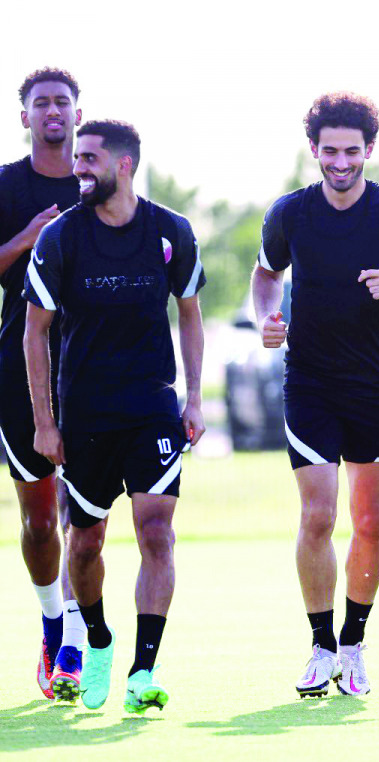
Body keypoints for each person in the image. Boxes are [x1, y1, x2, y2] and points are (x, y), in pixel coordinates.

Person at [252, 92, 379, 698]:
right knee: (318, 515)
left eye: (351, 151)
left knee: (371, 518)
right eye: (329, 151)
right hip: (309, 382)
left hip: (373, 385)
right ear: (314, 150)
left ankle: (355, 645)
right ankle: (320, 646)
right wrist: (267, 317)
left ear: (368, 151)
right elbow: (265, 275)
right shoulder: (290, 213)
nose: (340, 162)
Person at [24, 119, 206, 713]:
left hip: (152, 406)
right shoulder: (62, 237)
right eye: (77, 157)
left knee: (156, 531)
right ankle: (98, 641)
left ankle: (142, 670)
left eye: (90, 158)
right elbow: (35, 332)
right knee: (85, 544)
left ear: (124, 165)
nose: (79, 167)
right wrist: (44, 423)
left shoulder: (170, 230)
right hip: (84, 414)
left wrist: (195, 398)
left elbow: (191, 313)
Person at [0, 67, 85, 701]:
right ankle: (52, 622)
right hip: (19, 362)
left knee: (84, 512)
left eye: (62, 102)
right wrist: (27, 239)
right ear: (24, 116)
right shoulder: (6, 185)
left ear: (77, 114)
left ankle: (77, 641)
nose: (52, 111)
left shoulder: (98, 180)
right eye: (41, 103)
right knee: (37, 518)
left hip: (92, 361)